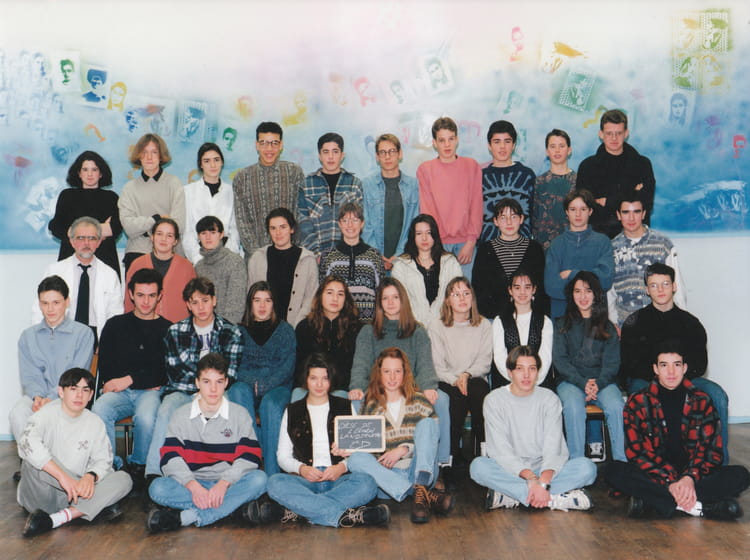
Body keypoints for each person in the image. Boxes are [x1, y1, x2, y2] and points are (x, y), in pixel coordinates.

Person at [605, 343, 749, 520]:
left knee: (740, 475)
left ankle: (656, 501)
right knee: (613, 470)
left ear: (685, 368)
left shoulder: (702, 400)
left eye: (677, 364)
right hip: (657, 474)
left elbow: (712, 452)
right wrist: (670, 481)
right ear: (656, 369)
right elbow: (637, 453)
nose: (671, 372)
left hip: (692, 473)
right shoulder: (638, 401)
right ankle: (700, 507)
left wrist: (689, 478)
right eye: (664, 365)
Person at [251, 354, 389, 528]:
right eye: (314, 378)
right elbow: (283, 457)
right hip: (306, 480)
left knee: (368, 483)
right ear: (306, 380)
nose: (319, 384)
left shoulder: (345, 406)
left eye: (325, 378)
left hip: (339, 480)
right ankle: (345, 516)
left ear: (331, 380)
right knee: (274, 483)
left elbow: (357, 450)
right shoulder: (292, 411)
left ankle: (301, 512)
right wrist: (302, 469)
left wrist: (342, 467)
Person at [620, 263, 729, 463]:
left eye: (665, 284)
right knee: (638, 394)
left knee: (717, 395)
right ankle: (644, 464)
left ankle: (719, 463)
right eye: (654, 285)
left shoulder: (691, 323)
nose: (660, 290)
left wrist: (677, 377)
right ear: (647, 290)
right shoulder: (634, 323)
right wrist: (662, 378)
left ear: (674, 286)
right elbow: (629, 364)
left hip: (685, 378)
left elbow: (700, 364)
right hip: (647, 379)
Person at [146, 353, 267, 532]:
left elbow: (250, 457)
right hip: (191, 484)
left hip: (228, 484)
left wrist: (224, 483)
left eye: (219, 382)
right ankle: (232, 509)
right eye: (206, 382)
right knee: (157, 488)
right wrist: (193, 486)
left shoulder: (239, 414)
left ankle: (186, 517)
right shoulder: (181, 414)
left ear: (226, 383)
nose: (213, 389)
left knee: (260, 479)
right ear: (197, 383)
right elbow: (170, 457)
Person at [470, 346, 596, 512]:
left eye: (532, 369)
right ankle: (553, 498)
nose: (526, 375)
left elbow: (553, 446)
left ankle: (514, 495)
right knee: (478, 467)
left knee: (587, 468)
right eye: (519, 369)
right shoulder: (494, 400)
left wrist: (543, 481)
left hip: (545, 469)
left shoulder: (549, 398)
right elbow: (500, 450)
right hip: (511, 470)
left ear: (538, 372)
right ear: (509, 372)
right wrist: (530, 478)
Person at [144, 277, 242, 479]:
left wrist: (207, 391)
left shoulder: (231, 332)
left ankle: (223, 472)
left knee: (225, 410)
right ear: (188, 305)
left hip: (216, 392)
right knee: (166, 410)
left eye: (205, 301)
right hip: (181, 390)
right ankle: (154, 472)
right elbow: (175, 371)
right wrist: (201, 388)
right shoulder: (175, 331)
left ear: (214, 300)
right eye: (195, 302)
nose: (201, 307)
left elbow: (230, 373)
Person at [348, 278, 452, 468]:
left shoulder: (418, 331)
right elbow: (361, 364)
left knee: (441, 399)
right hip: (379, 389)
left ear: (403, 300)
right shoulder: (368, 331)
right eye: (385, 298)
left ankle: (440, 462)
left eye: (395, 297)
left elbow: (425, 365)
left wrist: (428, 387)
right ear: (379, 303)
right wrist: (357, 387)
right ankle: (373, 461)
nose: (390, 302)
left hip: (410, 388)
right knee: (356, 401)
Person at [17, 368, 132, 537]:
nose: (79, 395)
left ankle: (57, 519)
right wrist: (63, 477)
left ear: (91, 395)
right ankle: (96, 505)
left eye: (85, 390)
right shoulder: (46, 414)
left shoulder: (95, 422)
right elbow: (27, 443)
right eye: (73, 389)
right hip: (42, 496)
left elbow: (103, 460)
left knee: (124, 479)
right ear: (61, 392)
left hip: (74, 496)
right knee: (35, 459)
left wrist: (90, 476)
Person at [347, 348, 454, 524]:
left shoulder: (420, 401)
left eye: (397, 371)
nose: (392, 377)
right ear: (379, 374)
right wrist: (348, 449)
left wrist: (404, 449)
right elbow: (368, 450)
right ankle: (421, 494)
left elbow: (431, 441)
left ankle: (420, 486)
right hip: (388, 479)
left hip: (420, 470)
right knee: (355, 459)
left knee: (428, 424)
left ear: (405, 374)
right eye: (387, 371)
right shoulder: (370, 406)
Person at [92, 268, 172, 476]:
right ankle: (109, 465)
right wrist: (143, 378)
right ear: (131, 294)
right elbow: (106, 365)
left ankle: (139, 465)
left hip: (150, 393)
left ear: (160, 296)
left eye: (151, 295)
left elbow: (164, 372)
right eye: (140, 295)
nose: (146, 301)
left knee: (146, 417)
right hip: (119, 393)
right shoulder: (115, 325)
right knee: (100, 409)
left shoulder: (168, 329)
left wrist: (129, 379)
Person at [11, 276, 95, 446]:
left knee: (51, 414)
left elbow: (76, 376)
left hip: (69, 396)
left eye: (56, 303)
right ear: (39, 304)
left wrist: (50, 398)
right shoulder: (28, 336)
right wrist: (38, 397)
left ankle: (49, 460)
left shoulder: (83, 334)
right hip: (37, 397)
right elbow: (30, 375)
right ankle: (32, 460)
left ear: (67, 302)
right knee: (18, 413)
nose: (50, 309)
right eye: (45, 303)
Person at [552, 271, 626, 462]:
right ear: (571, 295)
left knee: (616, 406)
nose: (583, 296)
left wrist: (597, 384)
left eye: (588, 291)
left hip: (603, 382)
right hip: (571, 382)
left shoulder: (607, 327)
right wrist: (582, 383)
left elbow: (612, 363)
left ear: (596, 294)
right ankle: (577, 463)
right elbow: (560, 361)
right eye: (578, 291)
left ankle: (621, 462)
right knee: (573, 407)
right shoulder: (562, 324)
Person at [229, 281, 296, 476]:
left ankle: (272, 474)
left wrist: (266, 384)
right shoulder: (238, 331)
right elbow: (234, 366)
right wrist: (254, 383)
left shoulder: (285, 330)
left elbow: (288, 367)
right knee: (237, 390)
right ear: (250, 304)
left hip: (278, 387)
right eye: (257, 300)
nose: (262, 306)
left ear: (274, 304)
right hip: (248, 387)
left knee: (270, 404)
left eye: (267, 300)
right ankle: (251, 461)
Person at [428, 277, 491, 469]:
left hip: (474, 377)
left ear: (472, 298)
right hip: (447, 379)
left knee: (480, 393)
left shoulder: (484, 325)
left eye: (466, 293)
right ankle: (450, 458)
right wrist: (456, 380)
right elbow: (437, 366)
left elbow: (485, 361)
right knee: (454, 400)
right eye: (456, 294)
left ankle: (484, 452)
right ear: (448, 300)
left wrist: (466, 375)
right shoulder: (437, 326)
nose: (462, 298)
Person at [34, 217, 123, 337]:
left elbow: (115, 315)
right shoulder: (55, 270)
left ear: (99, 242)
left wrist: (107, 343)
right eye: (80, 238)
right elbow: (39, 309)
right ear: (72, 241)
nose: (86, 243)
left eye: (92, 238)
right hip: (61, 334)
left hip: (97, 336)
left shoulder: (110, 275)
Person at [416, 117, 482, 278]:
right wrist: (436, 244)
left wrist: (471, 242)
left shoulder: (471, 166)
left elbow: (476, 206)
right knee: (441, 290)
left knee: (465, 290)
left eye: (451, 139)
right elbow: (427, 210)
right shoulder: (425, 170)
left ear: (457, 139)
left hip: (466, 243)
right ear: (434, 143)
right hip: (438, 243)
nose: (447, 145)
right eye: (442, 140)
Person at [608, 191, 685, 328]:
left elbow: (677, 286)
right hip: (627, 326)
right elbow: (610, 293)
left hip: (662, 324)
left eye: (636, 212)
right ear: (618, 215)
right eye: (626, 212)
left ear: (643, 214)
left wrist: (681, 320)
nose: (631, 218)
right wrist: (613, 323)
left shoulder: (663, 244)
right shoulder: (611, 249)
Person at [576, 109, 655, 238]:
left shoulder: (642, 164)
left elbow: (646, 203)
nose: (614, 138)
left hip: (636, 238)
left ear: (626, 133)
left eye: (618, 133)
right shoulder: (587, 167)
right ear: (601, 134)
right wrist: (632, 193)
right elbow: (585, 208)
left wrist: (608, 201)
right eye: (609, 133)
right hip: (600, 238)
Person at [233, 122, 304, 257]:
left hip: (291, 254)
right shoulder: (242, 178)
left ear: (281, 145)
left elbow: (300, 215)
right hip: (256, 256)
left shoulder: (294, 172)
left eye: (274, 143)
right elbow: (242, 222)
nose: (269, 149)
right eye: (264, 143)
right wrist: (258, 255)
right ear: (257, 145)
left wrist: (293, 248)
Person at [49, 151, 122, 278]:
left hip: (104, 260)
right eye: (85, 169)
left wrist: (75, 232)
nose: (89, 174)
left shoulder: (112, 198)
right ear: (79, 173)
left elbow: (115, 228)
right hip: (70, 260)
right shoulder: (67, 195)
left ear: (101, 173)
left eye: (94, 169)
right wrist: (100, 230)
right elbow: (56, 227)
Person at [118, 133, 185, 271]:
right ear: (139, 156)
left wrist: (143, 230)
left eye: (154, 152)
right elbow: (129, 227)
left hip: (169, 252)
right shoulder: (129, 188)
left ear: (161, 156)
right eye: (144, 152)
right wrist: (156, 219)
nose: (149, 157)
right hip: (137, 251)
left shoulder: (174, 183)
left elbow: (179, 225)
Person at [544, 189, 614, 319]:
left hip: (595, 318)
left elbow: (605, 281)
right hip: (563, 317)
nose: (578, 214)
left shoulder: (603, 242)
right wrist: (589, 286)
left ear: (590, 211)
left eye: (583, 209)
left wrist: (572, 273)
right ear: (567, 212)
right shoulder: (556, 244)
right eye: (573, 209)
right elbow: (551, 286)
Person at [472, 198, 546, 320]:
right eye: (503, 218)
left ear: (521, 219)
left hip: (528, 316)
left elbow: (541, 288)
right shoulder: (485, 249)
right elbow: (478, 287)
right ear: (495, 221)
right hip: (494, 317)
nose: (509, 222)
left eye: (513, 217)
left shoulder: (534, 248)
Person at [293, 275, 361, 401]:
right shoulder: (304, 327)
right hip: (309, 387)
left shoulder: (356, 328)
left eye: (340, 294)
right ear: (320, 296)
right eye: (330, 293)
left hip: (341, 389)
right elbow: (300, 368)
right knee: (298, 397)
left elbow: (356, 369)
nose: (335, 298)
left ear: (346, 299)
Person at [247, 208, 318, 327]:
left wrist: (295, 327)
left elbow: (311, 299)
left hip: (297, 327)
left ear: (292, 229)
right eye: (273, 228)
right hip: (264, 327)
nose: (278, 233)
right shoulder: (257, 258)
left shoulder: (307, 260)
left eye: (283, 227)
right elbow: (251, 296)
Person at [298, 132, 364, 258]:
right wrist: (316, 254)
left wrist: (349, 252)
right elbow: (303, 223)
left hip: (348, 255)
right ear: (319, 156)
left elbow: (359, 222)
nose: (331, 157)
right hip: (315, 257)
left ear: (342, 155)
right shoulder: (306, 185)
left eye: (335, 151)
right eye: (326, 152)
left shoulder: (355, 184)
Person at [361, 133, 420, 269]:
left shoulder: (413, 185)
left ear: (400, 154)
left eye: (392, 151)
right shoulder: (367, 185)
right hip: (374, 258)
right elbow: (365, 224)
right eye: (382, 152)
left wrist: (399, 254)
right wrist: (377, 255)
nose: (387, 156)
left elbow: (414, 223)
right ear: (377, 157)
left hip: (405, 257)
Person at [392, 214, 462, 327]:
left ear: (435, 235)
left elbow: (457, 297)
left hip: (446, 325)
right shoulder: (401, 265)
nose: (424, 238)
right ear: (413, 237)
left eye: (428, 233)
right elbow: (401, 302)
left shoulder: (450, 262)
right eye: (419, 233)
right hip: (413, 326)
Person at [319, 202, 385, 323]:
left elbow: (381, 291)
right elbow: (322, 292)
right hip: (337, 323)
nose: (350, 225)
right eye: (345, 220)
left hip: (367, 323)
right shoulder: (328, 256)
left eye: (355, 220)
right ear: (339, 224)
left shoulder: (374, 255)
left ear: (362, 223)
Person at [124, 218, 195, 323]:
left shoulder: (186, 267)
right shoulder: (137, 264)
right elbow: (128, 302)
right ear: (152, 237)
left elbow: (194, 301)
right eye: (159, 234)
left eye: (169, 235)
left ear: (175, 241)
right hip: (144, 327)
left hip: (178, 328)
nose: (163, 239)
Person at [493, 270, 553, 386]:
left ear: (534, 289)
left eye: (527, 287)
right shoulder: (499, 321)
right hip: (508, 382)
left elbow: (546, 357)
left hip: (538, 382)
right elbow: (499, 356)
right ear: (510, 290)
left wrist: (533, 381)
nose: (522, 292)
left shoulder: (545, 321)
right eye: (517, 287)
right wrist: (516, 380)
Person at [183, 143, 241, 264]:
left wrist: (226, 257)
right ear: (200, 164)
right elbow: (187, 232)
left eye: (216, 160)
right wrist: (199, 260)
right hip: (198, 255)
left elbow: (235, 230)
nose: (213, 165)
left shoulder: (233, 192)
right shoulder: (188, 192)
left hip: (227, 256)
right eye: (207, 161)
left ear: (222, 162)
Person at [480, 120, 536, 241]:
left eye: (507, 141)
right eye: (497, 141)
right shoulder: (480, 177)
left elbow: (535, 214)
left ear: (514, 145)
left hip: (521, 246)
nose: (502, 147)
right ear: (489, 145)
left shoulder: (526, 175)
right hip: (488, 246)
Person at [194, 216, 247, 324]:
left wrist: (224, 330)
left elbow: (236, 306)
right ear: (198, 237)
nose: (208, 237)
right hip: (203, 326)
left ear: (221, 234)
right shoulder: (198, 267)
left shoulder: (235, 262)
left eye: (213, 232)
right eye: (203, 233)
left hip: (228, 329)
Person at [532, 129, 576, 250]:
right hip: (544, 245)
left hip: (571, 242)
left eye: (561, 146)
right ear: (547, 151)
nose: (557, 150)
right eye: (553, 146)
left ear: (569, 150)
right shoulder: (539, 182)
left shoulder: (578, 181)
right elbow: (534, 216)